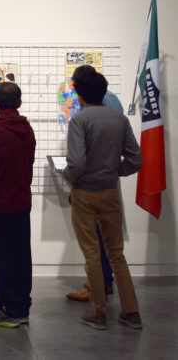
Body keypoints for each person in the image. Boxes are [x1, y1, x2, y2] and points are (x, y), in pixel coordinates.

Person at [63, 70, 143, 330]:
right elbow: (136, 160)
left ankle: (98, 312)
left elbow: (76, 163)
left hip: (85, 193)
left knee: (92, 253)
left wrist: (68, 177)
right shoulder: (120, 119)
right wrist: (113, 171)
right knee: (116, 253)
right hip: (110, 192)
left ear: (79, 93)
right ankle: (131, 313)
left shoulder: (79, 121)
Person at [0, 82, 36, 328]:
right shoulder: (28, 130)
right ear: (20, 103)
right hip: (22, 203)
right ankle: (21, 307)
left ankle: (8, 309)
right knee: (21, 256)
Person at [67, 65, 122, 302]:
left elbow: (79, 158)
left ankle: (97, 295)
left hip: (88, 185)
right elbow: (129, 153)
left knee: (93, 244)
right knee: (113, 248)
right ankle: (120, 299)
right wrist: (112, 170)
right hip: (109, 182)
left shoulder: (83, 114)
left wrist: (70, 176)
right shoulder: (115, 106)